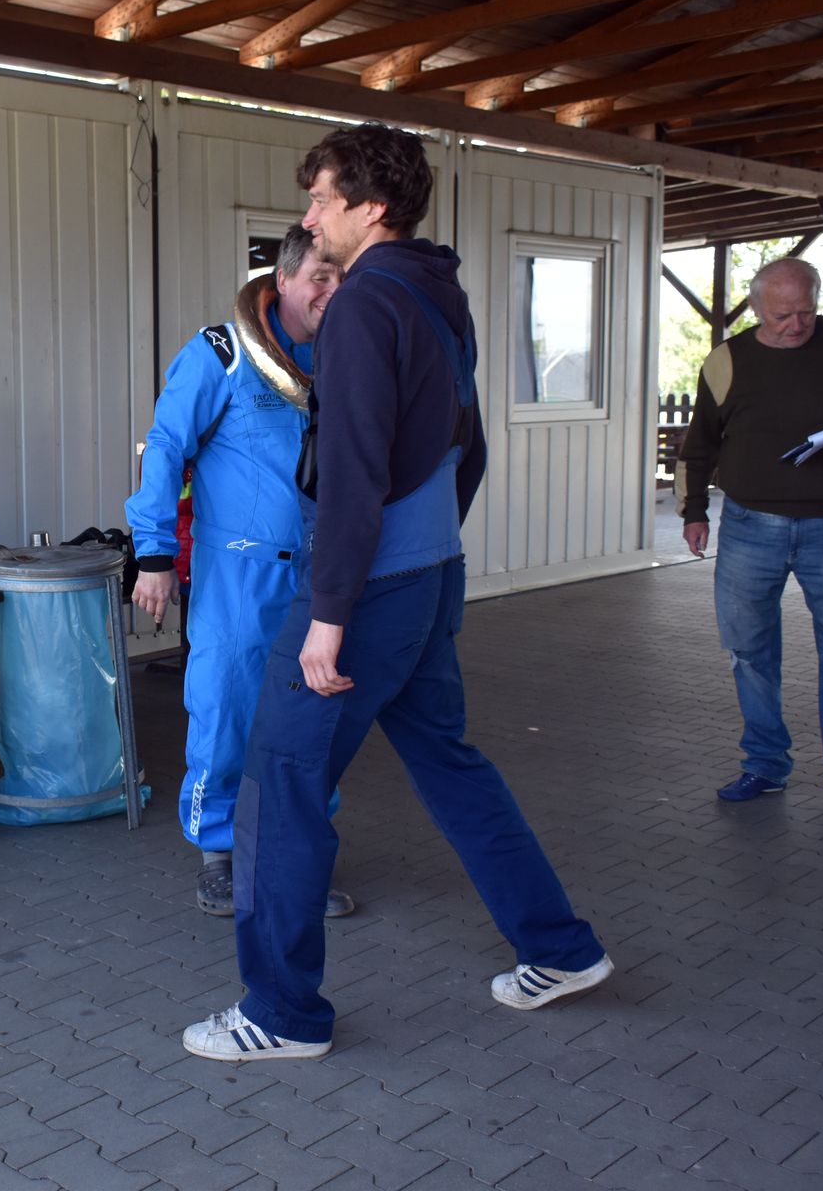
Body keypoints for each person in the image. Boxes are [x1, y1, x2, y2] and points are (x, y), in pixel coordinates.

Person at [183, 124, 612, 1063]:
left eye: (321, 200)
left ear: (370, 207)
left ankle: (281, 1014)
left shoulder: (364, 304)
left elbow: (352, 474)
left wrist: (329, 616)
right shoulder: (436, 292)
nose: (309, 218)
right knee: (451, 766)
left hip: (366, 589)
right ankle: (560, 948)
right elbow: (470, 447)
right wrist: (430, 553)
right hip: (426, 575)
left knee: (278, 786)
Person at [126, 225, 354, 918]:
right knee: (225, 712)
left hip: (318, 577)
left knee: (313, 719)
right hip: (238, 576)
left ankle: (294, 856)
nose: (332, 291)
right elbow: (165, 448)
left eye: (342, 277)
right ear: (282, 279)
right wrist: (154, 556)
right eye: (319, 277)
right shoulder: (219, 355)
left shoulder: (345, 356)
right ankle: (220, 858)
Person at [677, 257, 823, 825]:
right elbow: (699, 443)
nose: (796, 325)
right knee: (748, 653)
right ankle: (765, 766)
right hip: (748, 527)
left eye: (806, 311)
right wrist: (693, 510)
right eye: (782, 315)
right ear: (757, 309)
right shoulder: (727, 360)